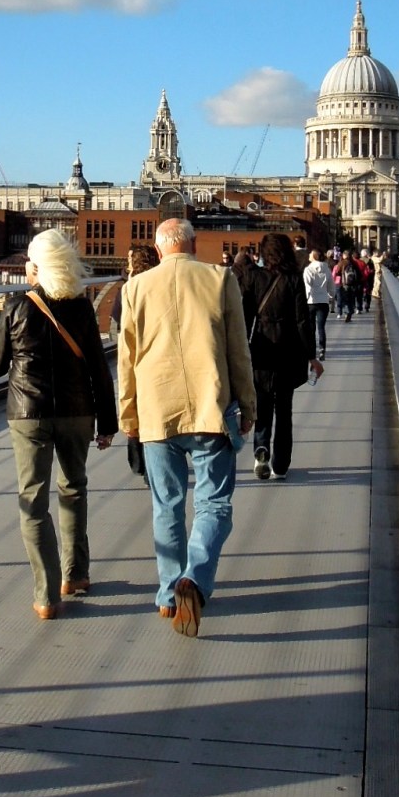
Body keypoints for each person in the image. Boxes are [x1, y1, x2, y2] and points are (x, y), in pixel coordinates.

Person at [117, 217, 256, 637]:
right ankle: (193, 579)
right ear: (193, 246)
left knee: (167, 505)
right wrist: (247, 404)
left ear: (159, 250)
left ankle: (167, 594)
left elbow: (127, 359)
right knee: (214, 505)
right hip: (212, 408)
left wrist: (128, 415)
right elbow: (238, 348)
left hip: (158, 411)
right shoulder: (219, 278)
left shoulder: (133, 288)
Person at [0, 229, 117, 621]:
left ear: (38, 266)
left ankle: (46, 595)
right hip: (78, 412)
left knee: (33, 501)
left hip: (29, 414)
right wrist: (107, 422)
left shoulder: (17, 306)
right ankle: (75, 575)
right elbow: (98, 367)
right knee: (74, 488)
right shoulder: (81, 307)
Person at [243, 232, 323, 481]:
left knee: (263, 405)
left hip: (262, 350)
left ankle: (261, 449)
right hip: (289, 351)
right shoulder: (293, 279)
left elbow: (245, 318)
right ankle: (281, 464)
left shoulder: (253, 277)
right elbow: (302, 321)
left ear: (264, 253)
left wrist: (241, 350)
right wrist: (312, 355)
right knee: (284, 409)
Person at [124, 244, 160, 483]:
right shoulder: (161, 283)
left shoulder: (131, 288)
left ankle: (140, 463)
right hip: (156, 358)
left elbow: (121, 321)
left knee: (137, 408)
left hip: (138, 358)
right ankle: (151, 467)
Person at [303, 248, 334, 360]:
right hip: (323, 301)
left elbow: (307, 285)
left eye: (310, 254)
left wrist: (306, 298)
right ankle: (322, 349)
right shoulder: (327, 269)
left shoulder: (308, 269)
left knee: (311, 328)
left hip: (311, 301)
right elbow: (331, 284)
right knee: (321, 327)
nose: (309, 256)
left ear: (314, 256)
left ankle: (311, 350)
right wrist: (331, 296)